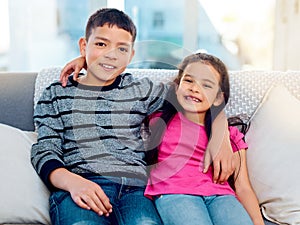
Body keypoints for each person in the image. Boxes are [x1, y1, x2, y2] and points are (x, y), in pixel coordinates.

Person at [32, 7, 233, 225]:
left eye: (122, 49)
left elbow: (194, 96)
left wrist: (221, 133)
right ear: (83, 45)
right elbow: (45, 150)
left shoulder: (139, 90)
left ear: (131, 55)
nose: (111, 54)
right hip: (82, 186)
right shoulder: (56, 94)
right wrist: (73, 183)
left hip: (134, 192)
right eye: (101, 44)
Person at [144, 53, 265, 225]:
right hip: (176, 192)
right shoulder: (160, 119)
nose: (194, 88)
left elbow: (243, 187)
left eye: (206, 85)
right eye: (188, 81)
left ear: (218, 97)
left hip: (221, 196)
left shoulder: (231, 136)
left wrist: (258, 222)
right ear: (177, 86)